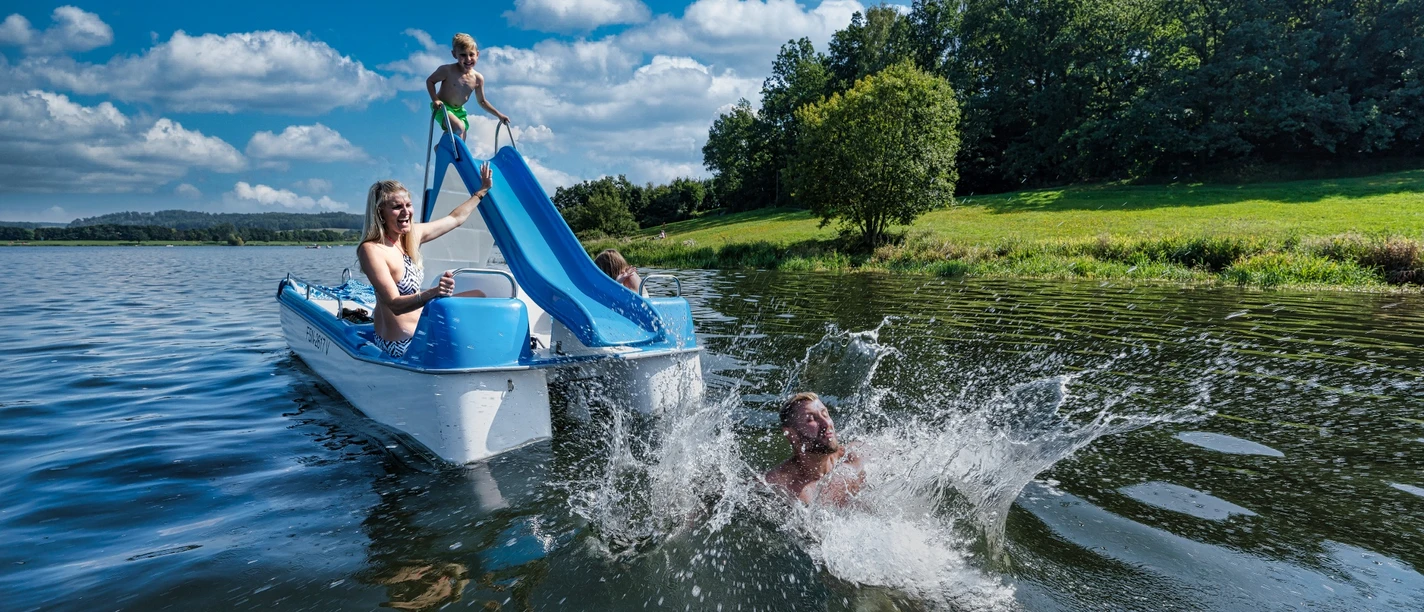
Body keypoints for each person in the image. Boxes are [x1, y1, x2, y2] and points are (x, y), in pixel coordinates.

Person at [357, 163, 494, 358]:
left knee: (480, 295)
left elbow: (455, 219)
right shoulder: (371, 250)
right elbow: (395, 304)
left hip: (423, 329)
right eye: (397, 207)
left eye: (408, 205)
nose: (406, 212)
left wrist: (482, 191)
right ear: (380, 213)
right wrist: (435, 292)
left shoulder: (412, 235)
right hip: (400, 343)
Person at [763, 392, 865, 505]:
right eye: (811, 419)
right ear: (792, 434)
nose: (826, 424)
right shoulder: (779, 486)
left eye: (825, 414)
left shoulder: (857, 455)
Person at [426, 33, 509, 141]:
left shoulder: (478, 78)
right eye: (463, 55)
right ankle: (441, 149)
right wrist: (435, 100)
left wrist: (499, 115)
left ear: (477, 54)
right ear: (454, 54)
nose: (468, 59)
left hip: (459, 112)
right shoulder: (447, 70)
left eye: (471, 54)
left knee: (461, 143)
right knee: (458, 127)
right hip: (442, 107)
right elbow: (430, 81)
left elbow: (482, 101)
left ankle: (441, 149)